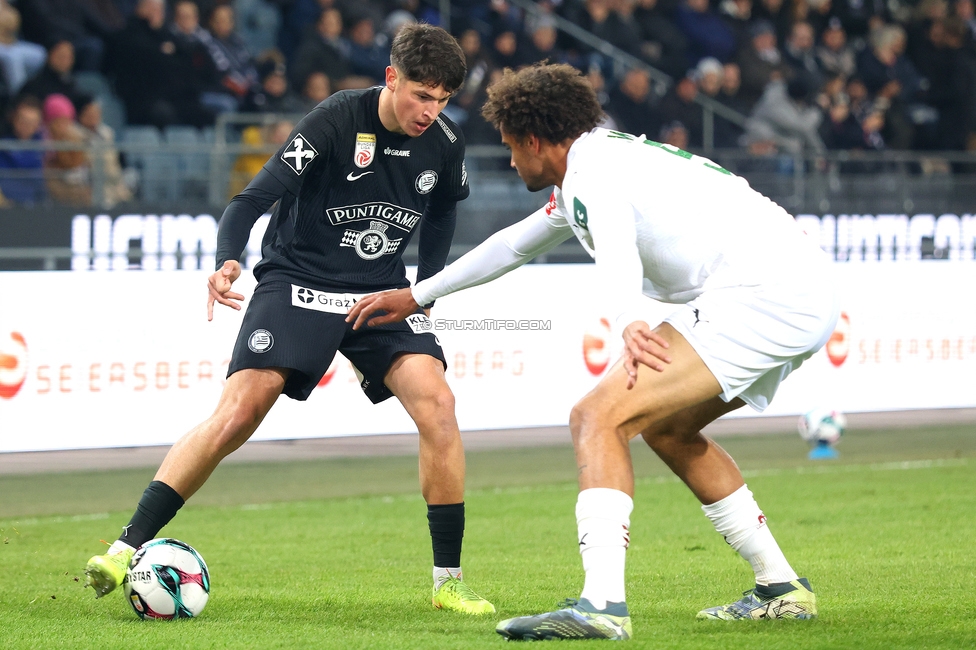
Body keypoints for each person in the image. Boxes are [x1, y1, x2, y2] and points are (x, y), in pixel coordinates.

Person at [346, 62, 839, 640]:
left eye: (510, 147)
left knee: (596, 416)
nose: (510, 160)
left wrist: (630, 319)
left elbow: (616, 242)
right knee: (668, 429)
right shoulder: (596, 161)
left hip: (768, 292)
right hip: (793, 287)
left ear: (534, 140)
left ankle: (602, 605)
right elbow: (512, 245)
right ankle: (780, 586)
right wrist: (417, 294)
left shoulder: (593, 174)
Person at [84, 23, 496, 617]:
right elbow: (249, 201)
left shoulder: (446, 145)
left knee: (439, 404)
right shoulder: (334, 120)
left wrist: (426, 288)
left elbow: (440, 216)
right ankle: (126, 547)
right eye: (420, 95)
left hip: (379, 295)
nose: (430, 111)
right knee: (238, 414)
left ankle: (448, 582)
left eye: (442, 99)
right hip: (298, 282)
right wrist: (228, 260)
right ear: (391, 78)